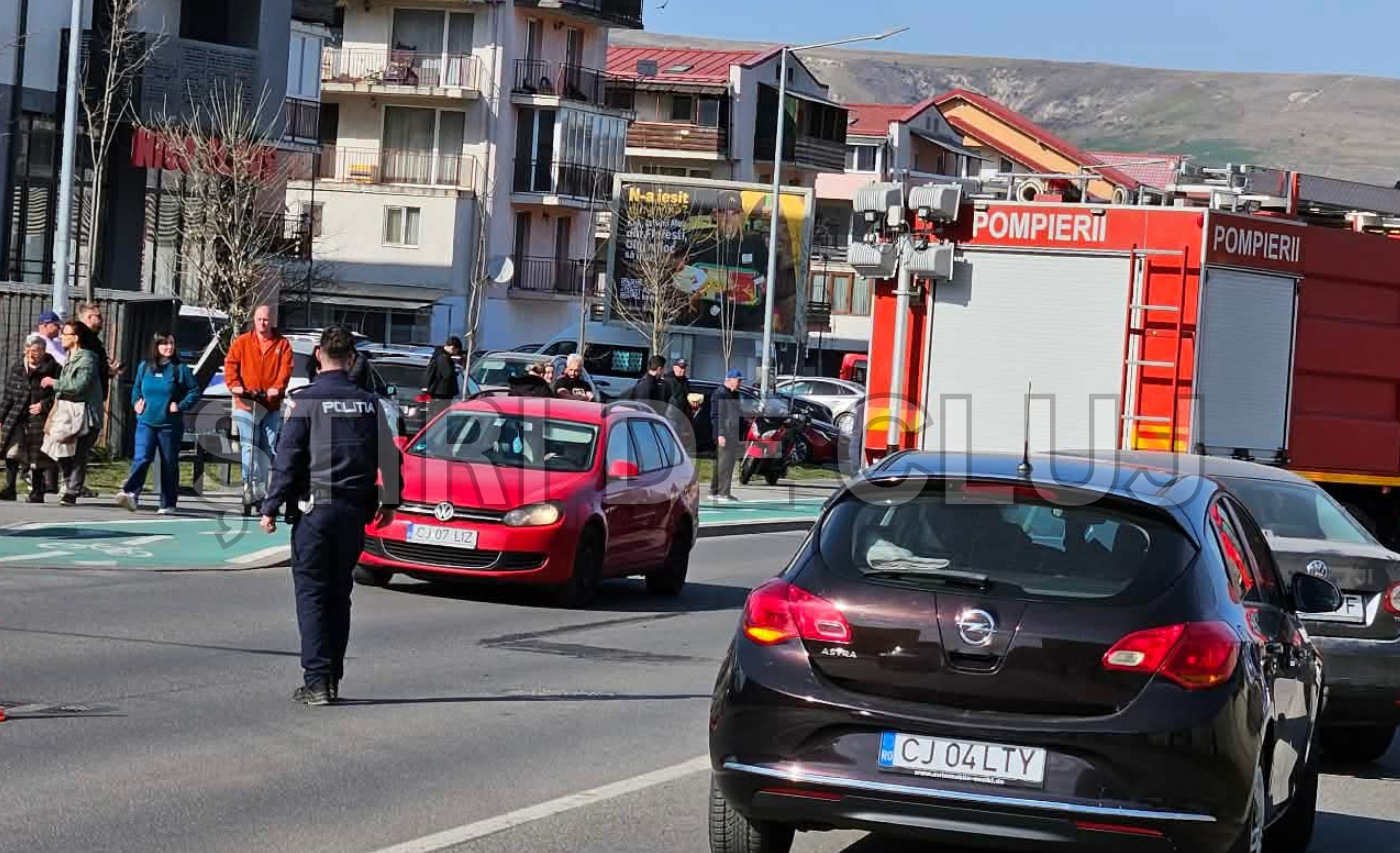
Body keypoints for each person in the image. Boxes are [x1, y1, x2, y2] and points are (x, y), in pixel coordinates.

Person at [259, 326, 403, 706]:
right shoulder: (369, 404)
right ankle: (332, 679)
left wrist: (271, 506)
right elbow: (389, 456)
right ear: (353, 359)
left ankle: (317, 681)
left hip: (315, 511)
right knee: (340, 595)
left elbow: (288, 459)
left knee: (312, 595)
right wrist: (389, 502)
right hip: (354, 512)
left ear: (319, 355)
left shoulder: (306, 401)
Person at [115, 332, 200, 514]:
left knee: (169, 463)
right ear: (156, 346)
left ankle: (168, 503)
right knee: (142, 458)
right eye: (164, 344)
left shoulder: (180, 369)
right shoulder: (144, 367)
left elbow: (194, 390)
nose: (168, 347)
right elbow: (137, 389)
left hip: (169, 426)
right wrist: (136, 402)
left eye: (171, 343)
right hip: (145, 422)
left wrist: (180, 405)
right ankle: (130, 494)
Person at [224, 305, 295, 507]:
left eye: (266, 319)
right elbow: (231, 365)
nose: (262, 323)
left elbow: (286, 369)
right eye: (259, 319)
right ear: (253, 320)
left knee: (268, 447)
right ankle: (250, 483)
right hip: (246, 403)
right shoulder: (242, 342)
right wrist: (235, 385)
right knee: (249, 445)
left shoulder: (282, 344)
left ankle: (262, 488)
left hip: (270, 404)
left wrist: (277, 388)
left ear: (271, 321)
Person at [41, 321, 104, 506]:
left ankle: (72, 490)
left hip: (85, 414)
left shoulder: (87, 359)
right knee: (58, 448)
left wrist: (54, 383)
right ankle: (69, 483)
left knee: (78, 454)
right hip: (66, 412)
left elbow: (79, 386)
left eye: (65, 334)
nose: (61, 337)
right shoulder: (70, 356)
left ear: (75, 338)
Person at [0, 334, 60, 502]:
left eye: (37, 350)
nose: (32, 354)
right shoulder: (18, 367)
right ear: (25, 350)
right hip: (17, 415)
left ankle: (37, 491)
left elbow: (60, 393)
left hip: (39, 417)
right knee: (12, 451)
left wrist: (43, 405)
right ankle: (9, 488)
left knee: (37, 456)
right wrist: (1, 417)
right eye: (30, 350)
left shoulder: (53, 368)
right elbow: (9, 394)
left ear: (43, 351)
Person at [710, 369, 745, 502]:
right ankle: (723, 493)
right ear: (729, 379)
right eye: (738, 380)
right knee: (725, 463)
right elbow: (717, 415)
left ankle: (714, 490)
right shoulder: (720, 394)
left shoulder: (734, 394)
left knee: (723, 462)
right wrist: (720, 434)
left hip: (732, 432)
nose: (740, 383)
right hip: (724, 433)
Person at [76, 302, 122, 401]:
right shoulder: (80, 338)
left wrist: (109, 371)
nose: (102, 320)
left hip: (95, 396)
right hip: (86, 397)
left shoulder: (94, 340)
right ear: (89, 317)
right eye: (99, 316)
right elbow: (85, 368)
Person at [422, 336, 462, 422]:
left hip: (439, 394)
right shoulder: (443, 357)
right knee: (439, 419)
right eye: (456, 351)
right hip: (441, 394)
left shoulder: (439, 355)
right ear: (452, 347)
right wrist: (454, 372)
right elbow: (447, 374)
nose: (456, 353)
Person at [662, 358, 693, 448]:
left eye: (684, 368)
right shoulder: (667, 381)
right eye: (681, 367)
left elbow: (686, 398)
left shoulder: (685, 382)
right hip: (670, 417)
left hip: (681, 418)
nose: (683, 370)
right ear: (674, 367)